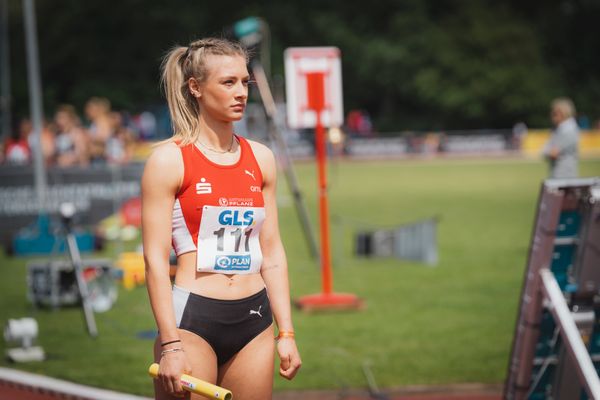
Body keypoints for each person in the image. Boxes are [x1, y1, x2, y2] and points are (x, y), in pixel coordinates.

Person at [141, 37, 301, 400]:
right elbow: (152, 260)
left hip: (254, 319)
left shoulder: (261, 158)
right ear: (195, 87)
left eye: (245, 82)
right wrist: (170, 344)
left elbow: (272, 253)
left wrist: (286, 333)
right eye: (228, 83)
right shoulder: (168, 160)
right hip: (193, 321)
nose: (240, 92)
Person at [543, 97, 580, 178]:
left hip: (565, 176)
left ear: (563, 113)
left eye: (555, 113)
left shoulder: (569, 130)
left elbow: (553, 152)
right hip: (558, 173)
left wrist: (547, 151)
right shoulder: (559, 129)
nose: (552, 116)